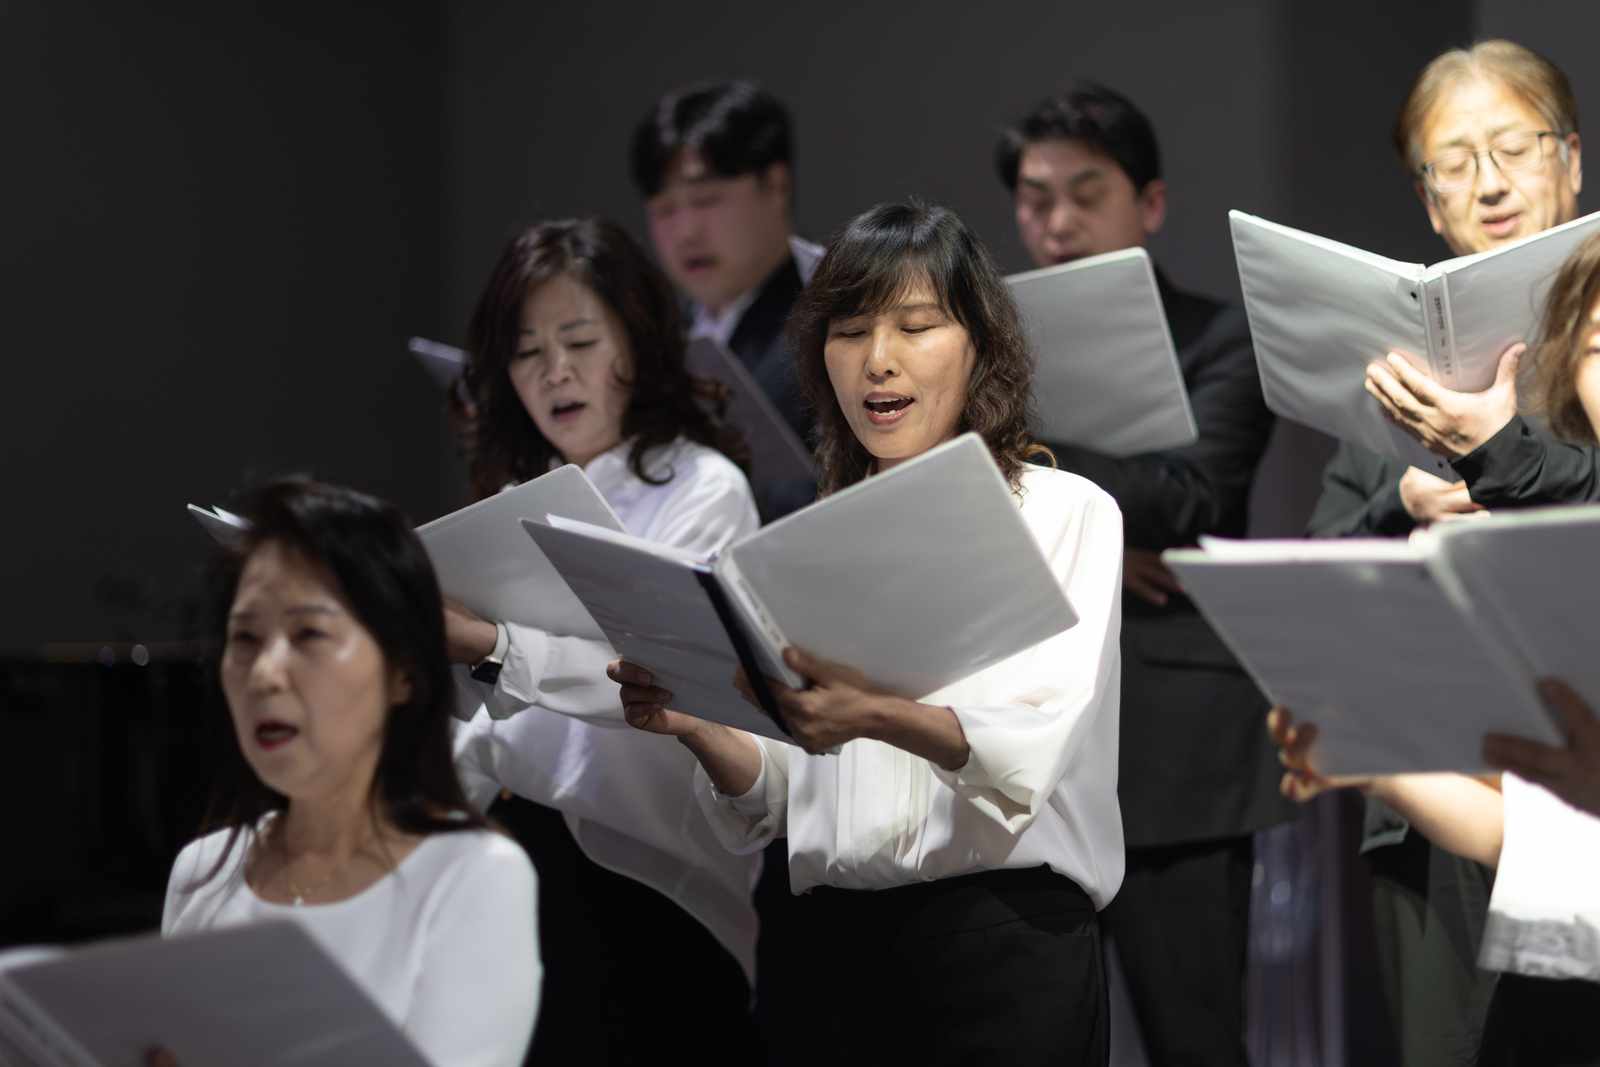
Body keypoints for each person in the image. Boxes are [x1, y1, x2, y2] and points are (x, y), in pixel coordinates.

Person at [611, 200, 1124, 1065]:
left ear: (980, 345)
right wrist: (696, 722)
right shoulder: (800, 546)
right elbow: (780, 794)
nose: (878, 359)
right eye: (849, 332)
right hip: (835, 951)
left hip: (1000, 938)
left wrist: (870, 713)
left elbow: (1029, 746)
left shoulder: (1062, 512)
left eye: (916, 327)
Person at [1303, 41, 1590, 1066]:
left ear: (1571, 159)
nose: (1490, 182)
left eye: (1513, 146)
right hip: (1431, 788)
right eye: (1456, 162)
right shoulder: (1403, 378)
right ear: (1428, 201)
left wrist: (1501, 459)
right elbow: (1320, 566)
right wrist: (1402, 499)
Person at [997, 83, 1294, 1066]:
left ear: (1150, 203)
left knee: (1192, 1038)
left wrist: (1029, 470)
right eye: (1036, 198)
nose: (1058, 221)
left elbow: (1193, 495)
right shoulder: (986, 353)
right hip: (1019, 731)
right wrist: (1089, 538)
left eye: (1087, 193)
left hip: (1175, 746)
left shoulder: (1221, 334)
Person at [445, 218, 763, 1064]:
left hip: (655, 889)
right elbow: (489, 732)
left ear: (640, 342)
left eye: (580, 340)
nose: (554, 370)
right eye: (526, 352)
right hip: (523, 869)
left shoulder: (702, 487)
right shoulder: (516, 496)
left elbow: (655, 679)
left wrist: (492, 644)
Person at [161, 477, 539, 1067]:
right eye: (245, 638)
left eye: (309, 634)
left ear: (404, 672)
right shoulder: (204, 869)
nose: (265, 673)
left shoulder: (472, 876)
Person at [632, 76, 819, 519]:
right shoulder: (654, 332)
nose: (686, 232)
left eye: (706, 199)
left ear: (775, 186)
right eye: (665, 209)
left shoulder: (837, 318)